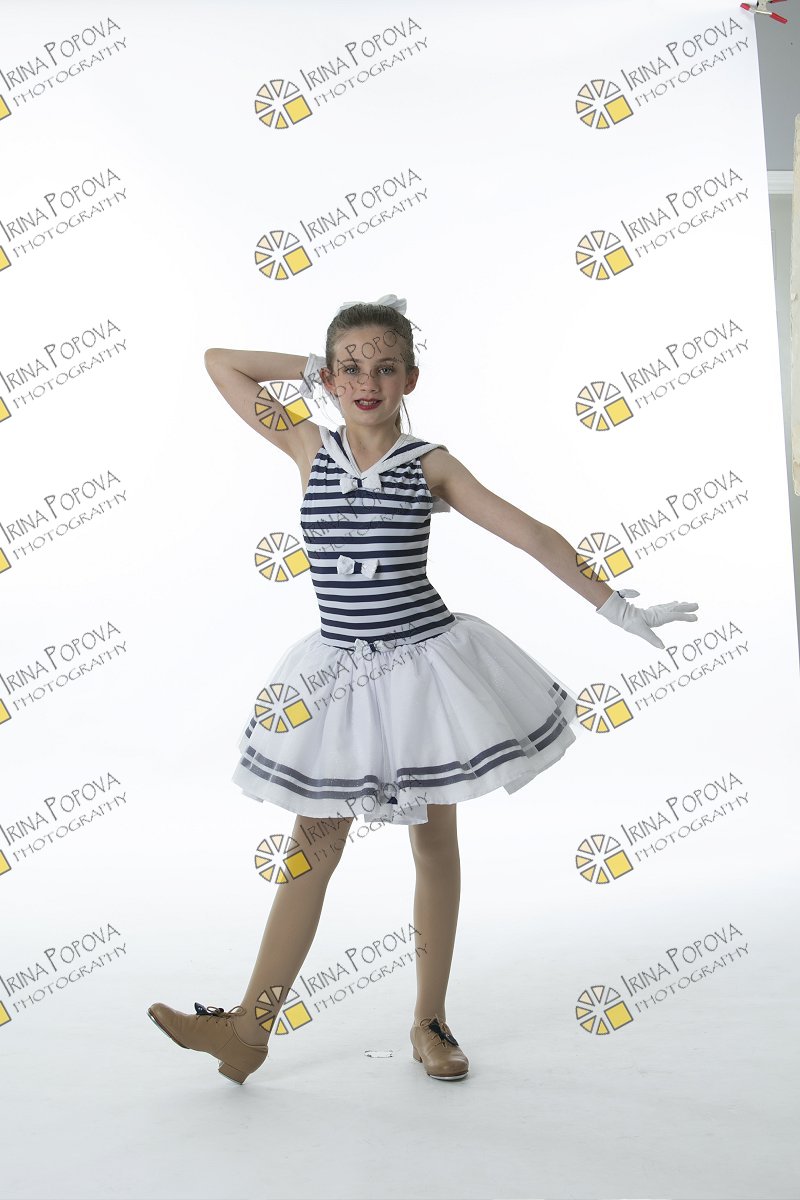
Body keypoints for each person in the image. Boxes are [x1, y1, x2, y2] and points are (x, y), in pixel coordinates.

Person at [147, 295, 698, 1085]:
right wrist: (307, 366)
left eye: (384, 368)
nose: (365, 382)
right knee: (311, 850)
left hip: (423, 674)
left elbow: (530, 533)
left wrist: (614, 605)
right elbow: (221, 365)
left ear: (410, 378)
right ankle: (248, 1029)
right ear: (329, 378)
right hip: (341, 678)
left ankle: (429, 1021)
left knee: (433, 844)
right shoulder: (306, 445)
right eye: (349, 368)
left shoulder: (429, 464)